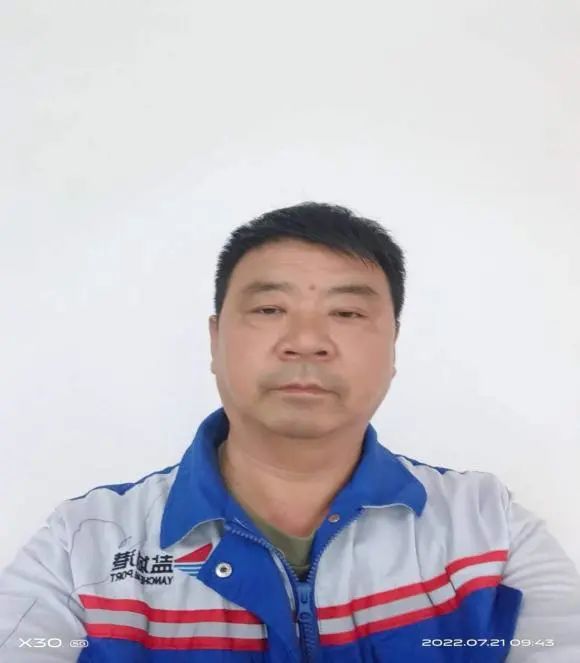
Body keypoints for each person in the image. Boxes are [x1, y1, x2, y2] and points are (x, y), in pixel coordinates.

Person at [1, 202, 579, 662]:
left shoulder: (486, 528)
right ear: (214, 340)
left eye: (347, 313)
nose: (306, 341)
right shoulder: (85, 545)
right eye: (269, 309)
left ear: (393, 346)